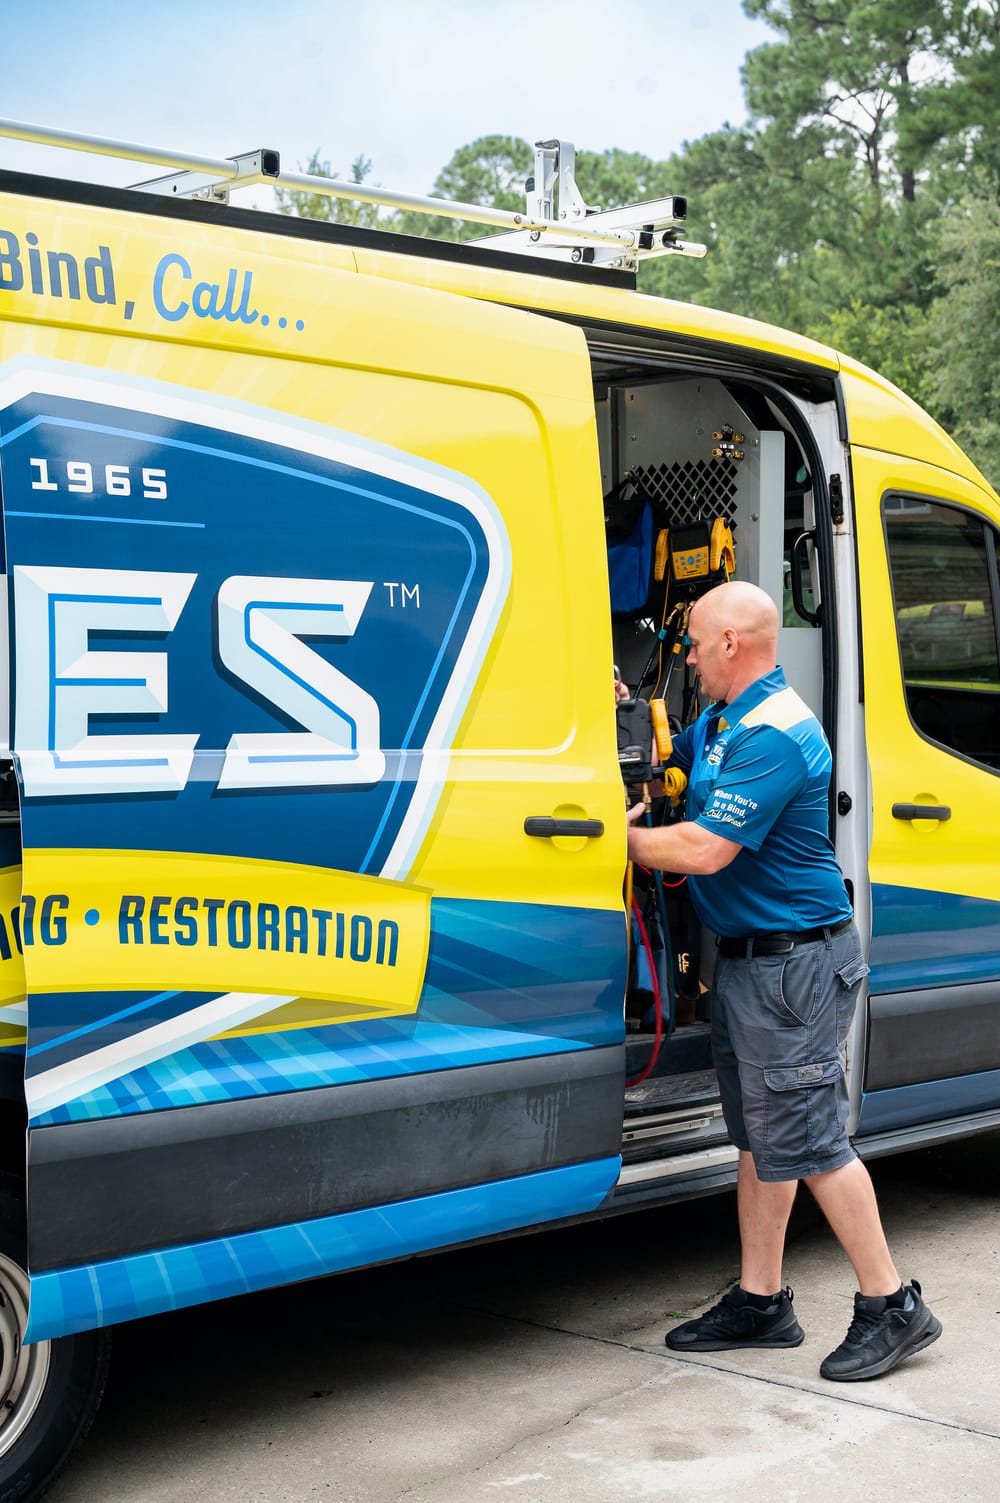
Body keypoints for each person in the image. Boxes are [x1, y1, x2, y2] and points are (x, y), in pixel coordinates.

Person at [626, 580, 941, 1381]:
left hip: (796, 965)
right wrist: (622, 714)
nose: (688, 657)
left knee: (813, 1139)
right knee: (763, 1139)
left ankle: (893, 1302)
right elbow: (671, 765)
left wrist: (613, 840)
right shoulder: (723, 720)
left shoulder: (776, 732)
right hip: (749, 959)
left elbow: (706, 849)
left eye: (695, 643)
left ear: (732, 642)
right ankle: (761, 1301)